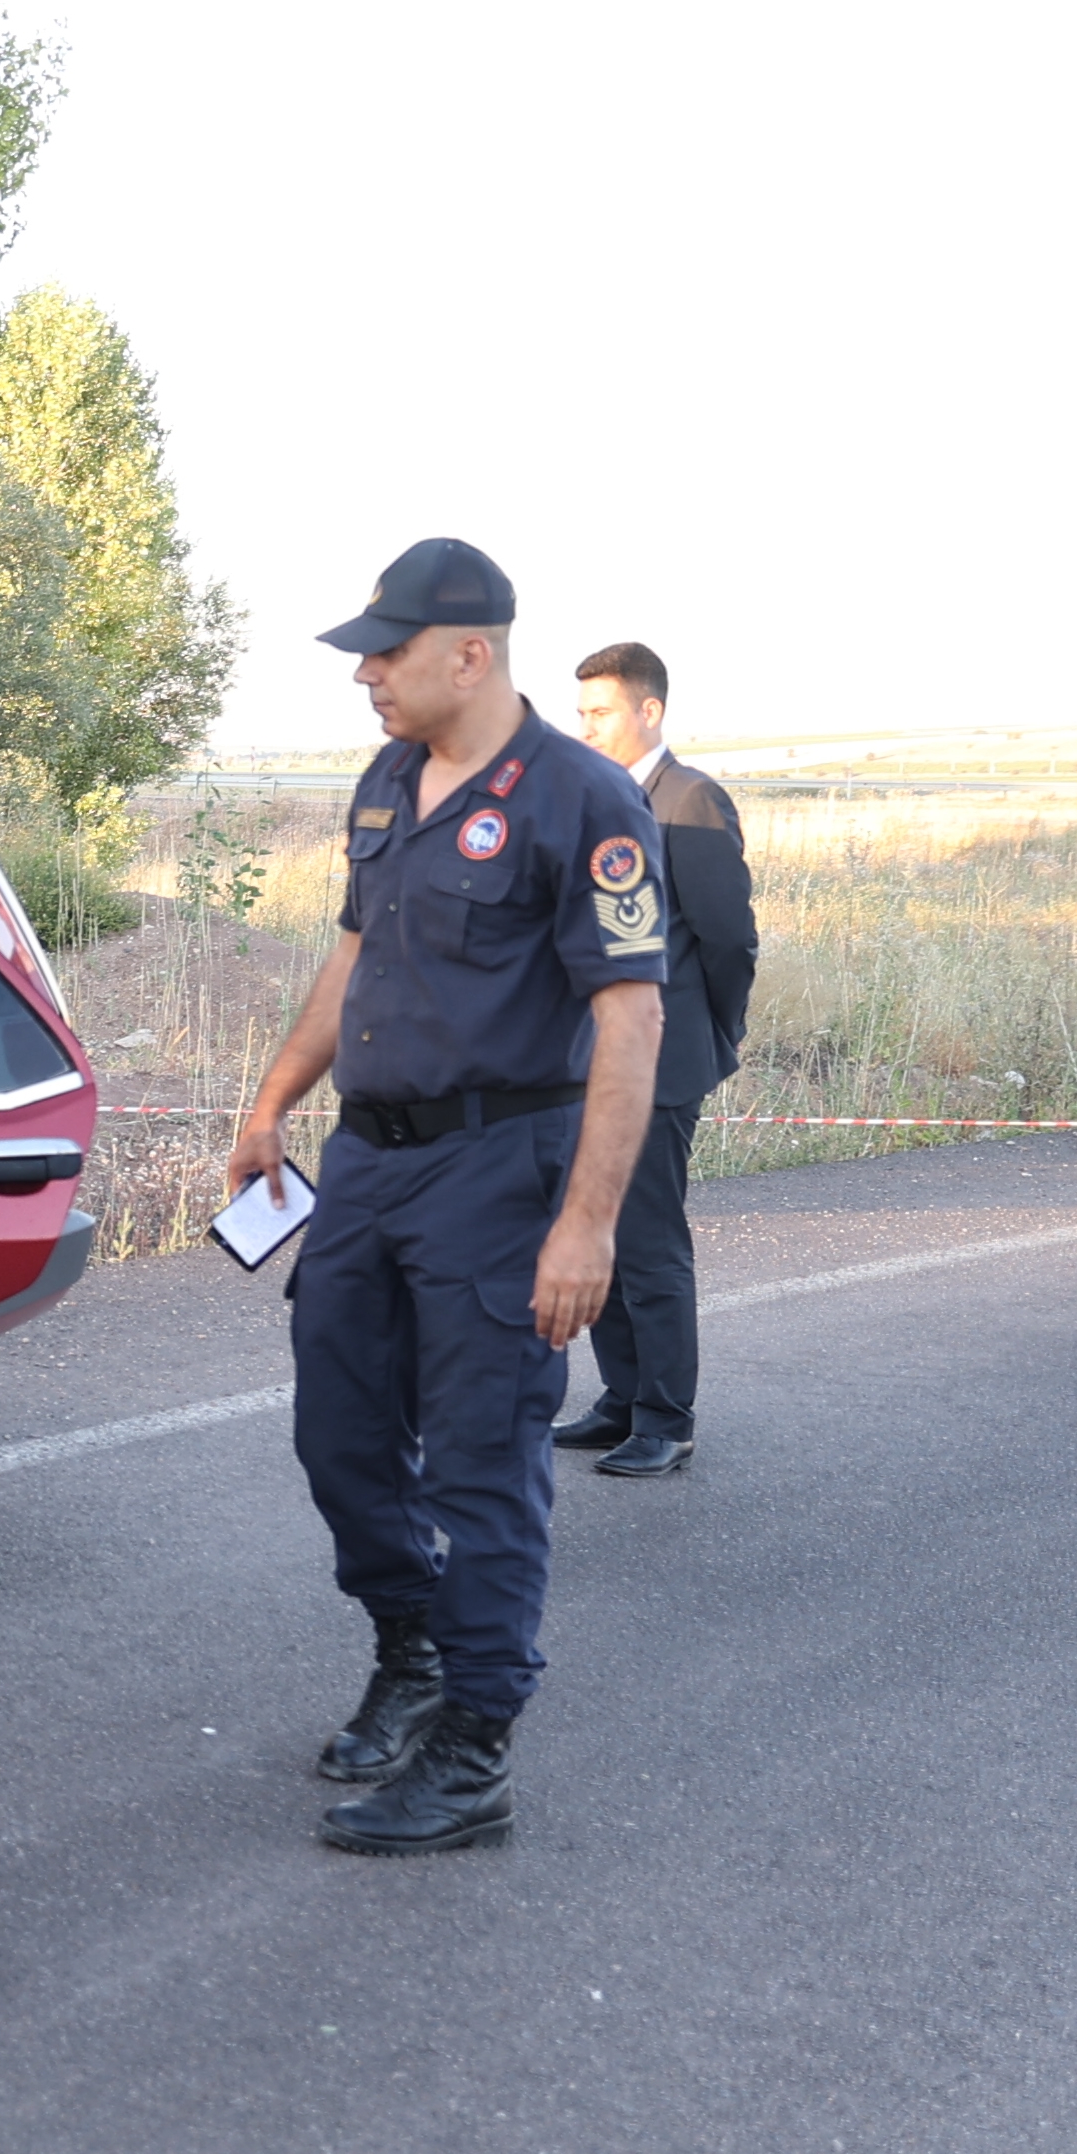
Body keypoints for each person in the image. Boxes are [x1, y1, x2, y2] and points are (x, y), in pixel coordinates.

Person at [229, 538, 665, 1857]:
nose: (366, 671)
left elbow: (632, 1025)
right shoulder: (385, 782)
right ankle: (408, 1654)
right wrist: (272, 1102)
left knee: (481, 1465)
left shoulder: (584, 803)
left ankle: (475, 1746)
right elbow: (355, 957)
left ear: (469, 654)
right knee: (340, 1438)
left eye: (389, 649)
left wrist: (585, 1222)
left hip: (500, 1167)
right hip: (370, 1162)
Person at [557, 642, 756, 1477]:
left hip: (660, 1062)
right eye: (581, 714)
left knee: (647, 1243)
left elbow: (728, 939)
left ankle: (666, 1419)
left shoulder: (691, 801)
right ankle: (620, 1400)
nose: (586, 728)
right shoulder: (594, 801)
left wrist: (719, 1034)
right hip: (584, 1063)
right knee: (595, 1233)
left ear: (649, 711)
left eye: (600, 712)